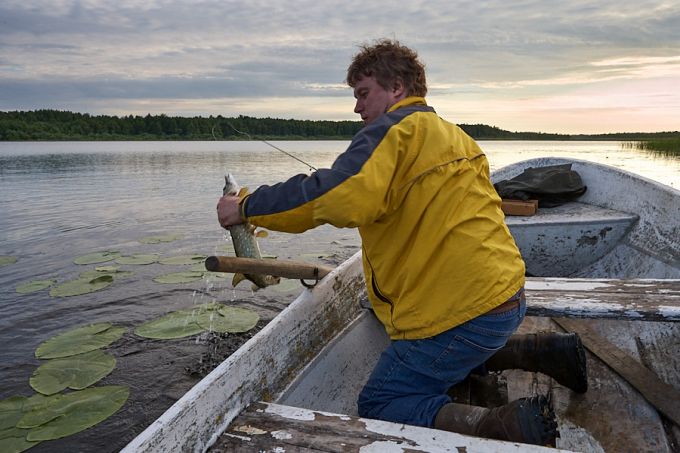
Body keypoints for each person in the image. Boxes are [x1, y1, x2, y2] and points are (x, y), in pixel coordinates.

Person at [217, 39, 580, 446]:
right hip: (506, 296)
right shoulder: (456, 136)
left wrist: (246, 208)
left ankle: (502, 426)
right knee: (447, 347)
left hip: (465, 312)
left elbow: (336, 194)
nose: (357, 108)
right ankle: (544, 351)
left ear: (397, 88)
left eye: (363, 93)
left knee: (383, 401)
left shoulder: (392, 132)